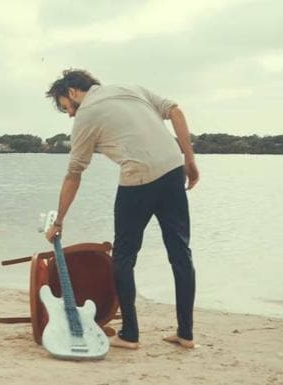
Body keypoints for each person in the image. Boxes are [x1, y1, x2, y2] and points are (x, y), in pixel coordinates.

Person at [44, 69, 199, 349]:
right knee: (180, 252)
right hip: (173, 170)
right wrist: (189, 159)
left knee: (124, 257)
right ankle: (186, 334)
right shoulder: (132, 88)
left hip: (138, 181)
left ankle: (130, 334)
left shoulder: (87, 116)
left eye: (67, 107)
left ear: (73, 91)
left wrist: (59, 221)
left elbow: (74, 174)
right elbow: (175, 110)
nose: (69, 115)